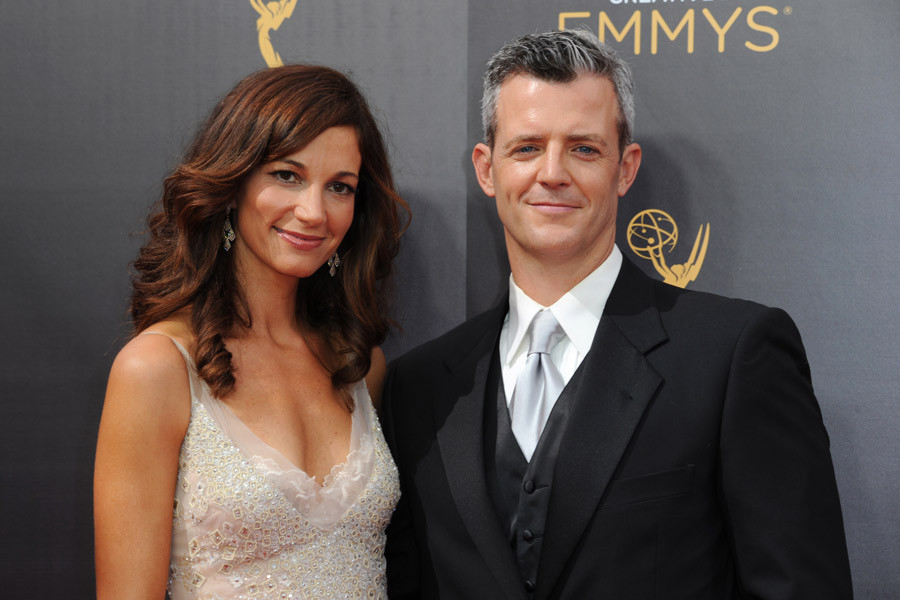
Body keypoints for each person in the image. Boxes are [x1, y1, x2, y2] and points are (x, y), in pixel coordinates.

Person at [382, 30, 852, 599]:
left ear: (625, 169)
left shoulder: (733, 356)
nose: (552, 173)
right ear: (487, 169)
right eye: (526, 147)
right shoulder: (420, 387)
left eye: (583, 148)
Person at [93, 64, 408, 599]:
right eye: (287, 175)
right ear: (232, 182)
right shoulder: (157, 368)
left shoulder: (359, 364)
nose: (313, 212)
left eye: (340, 187)